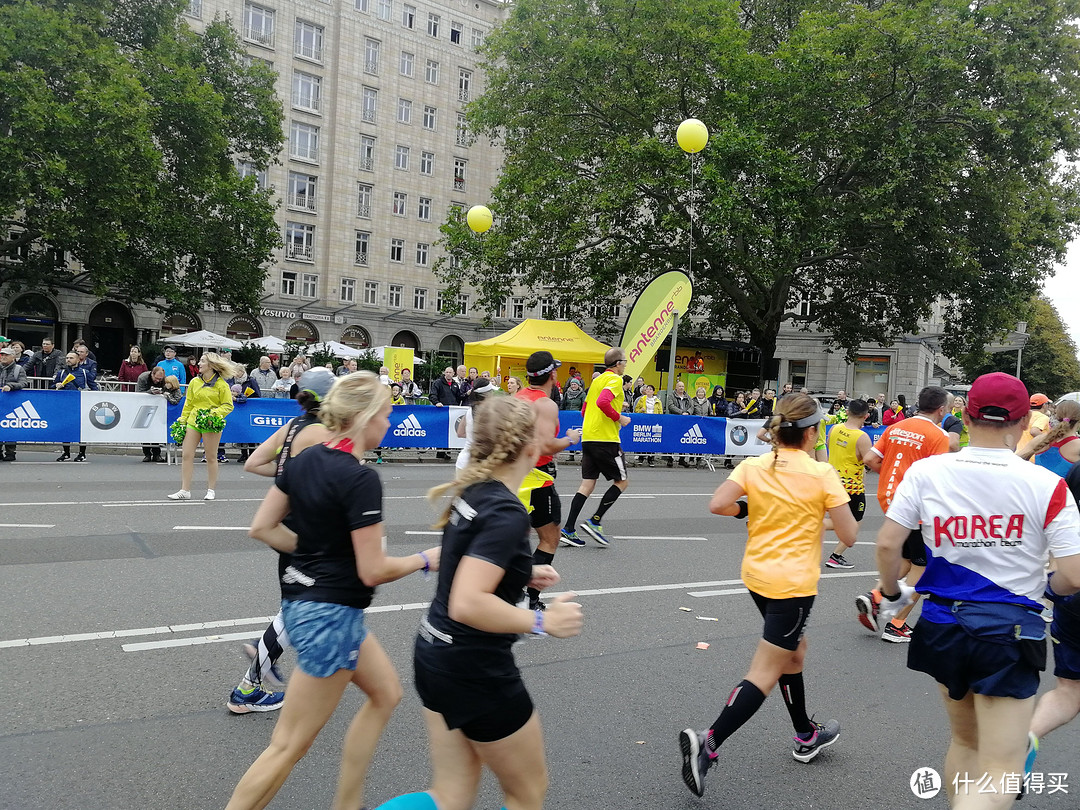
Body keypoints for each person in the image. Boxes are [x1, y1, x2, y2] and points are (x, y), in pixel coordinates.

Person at [225, 371, 441, 810]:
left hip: (309, 604)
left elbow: (262, 527)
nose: (391, 421)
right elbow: (373, 570)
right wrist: (424, 558)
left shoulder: (305, 459)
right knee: (287, 745)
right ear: (363, 418)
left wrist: (313, 549)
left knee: (386, 694)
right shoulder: (360, 478)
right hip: (332, 615)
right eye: (386, 413)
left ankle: (348, 802)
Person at [874, 372, 1080, 809]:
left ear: (965, 417)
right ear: (1026, 421)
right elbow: (1074, 576)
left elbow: (889, 543)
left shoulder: (928, 471)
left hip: (941, 623)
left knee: (965, 743)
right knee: (1003, 766)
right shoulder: (1047, 485)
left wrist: (893, 594)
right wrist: (1047, 586)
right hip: (1008, 631)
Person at [373, 397, 583, 810]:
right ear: (529, 447)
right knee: (526, 792)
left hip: (435, 654)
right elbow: (467, 603)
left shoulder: (475, 491)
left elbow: (464, 563)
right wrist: (542, 622)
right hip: (474, 668)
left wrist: (518, 572)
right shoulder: (507, 511)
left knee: (450, 797)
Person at [679, 393, 856, 798]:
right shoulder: (821, 474)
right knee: (765, 670)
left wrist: (751, 512)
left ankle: (805, 734)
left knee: (793, 652)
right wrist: (813, 520)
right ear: (811, 433)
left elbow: (719, 504)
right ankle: (707, 743)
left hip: (756, 576)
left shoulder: (755, 463)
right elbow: (848, 534)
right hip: (792, 585)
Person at [228, 368, 336, 714]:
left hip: (284, 523)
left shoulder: (292, 428)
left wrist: (289, 475)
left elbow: (254, 462)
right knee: (300, 604)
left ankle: (267, 662)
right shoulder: (322, 433)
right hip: (307, 528)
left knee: (302, 601)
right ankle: (249, 684)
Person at [856, 386, 952, 642]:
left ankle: (875, 596)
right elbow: (938, 478)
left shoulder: (896, 427)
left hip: (890, 499)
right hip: (917, 506)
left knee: (909, 561)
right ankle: (897, 624)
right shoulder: (938, 435)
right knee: (924, 567)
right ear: (941, 410)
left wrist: (888, 473)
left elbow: (869, 458)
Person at [514, 351, 582, 605]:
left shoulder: (518, 398)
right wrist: (570, 439)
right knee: (550, 538)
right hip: (537, 478)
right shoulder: (545, 404)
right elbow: (544, 445)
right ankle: (528, 599)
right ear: (552, 374)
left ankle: (511, 593)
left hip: (514, 476)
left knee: (516, 538)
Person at [561, 348, 631, 546]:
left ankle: (568, 529)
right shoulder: (615, 380)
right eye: (624, 361)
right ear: (617, 363)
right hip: (606, 439)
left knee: (587, 484)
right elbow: (603, 402)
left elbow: (585, 410)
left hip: (589, 437)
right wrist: (620, 417)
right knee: (622, 481)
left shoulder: (597, 381)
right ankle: (595, 521)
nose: (625, 364)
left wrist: (614, 409)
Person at [168, 352, 236, 501]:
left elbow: (228, 406)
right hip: (193, 421)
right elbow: (189, 403)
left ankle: (211, 490)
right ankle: (185, 490)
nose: (199, 363)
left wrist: (213, 414)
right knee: (186, 454)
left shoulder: (222, 385)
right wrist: (183, 420)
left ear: (211, 365)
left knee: (211, 456)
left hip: (210, 423)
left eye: (202, 361)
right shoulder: (194, 382)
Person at [824, 399, 872, 569]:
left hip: (832, 479)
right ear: (866, 416)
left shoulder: (835, 428)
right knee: (854, 523)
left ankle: (809, 525)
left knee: (839, 518)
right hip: (852, 485)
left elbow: (829, 446)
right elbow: (869, 461)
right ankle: (835, 556)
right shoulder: (862, 437)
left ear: (848, 412)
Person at [53, 350, 97, 461]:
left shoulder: (84, 373)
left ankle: (82, 453)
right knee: (65, 429)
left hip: (80, 404)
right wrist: (56, 385)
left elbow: (94, 387)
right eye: (67, 358)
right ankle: (66, 453)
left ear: (78, 360)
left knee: (81, 430)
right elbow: (52, 387)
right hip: (65, 404)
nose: (68, 360)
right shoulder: (61, 373)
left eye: (71, 358)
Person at [1018, 399, 1080, 475]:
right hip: (1064, 486)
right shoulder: (1077, 446)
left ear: (1056, 416)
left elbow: (1014, 460)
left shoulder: (1040, 439)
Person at [135, 367, 182, 462]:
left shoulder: (163, 380)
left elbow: (169, 391)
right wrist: (150, 392)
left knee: (156, 430)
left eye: (160, 379)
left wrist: (163, 393)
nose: (158, 381)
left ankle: (157, 454)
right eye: (156, 378)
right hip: (144, 406)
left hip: (159, 408)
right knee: (145, 430)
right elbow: (138, 393)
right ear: (152, 374)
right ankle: (147, 454)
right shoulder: (143, 378)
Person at [0, 346, 28, 461]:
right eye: (2, 355)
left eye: (6, 355)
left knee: (11, 426)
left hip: (12, 402)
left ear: (13, 357)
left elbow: (23, 383)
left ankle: (10, 452)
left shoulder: (18, 369)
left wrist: (10, 386)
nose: (3, 357)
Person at [1017, 393, 1053, 460]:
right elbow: (1034, 431)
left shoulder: (1024, 416)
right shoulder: (1042, 417)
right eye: (1047, 403)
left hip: (1019, 454)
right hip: (1033, 456)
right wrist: (1049, 440)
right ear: (1044, 405)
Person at [666, 380, 693, 468]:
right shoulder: (671, 396)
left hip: (684, 421)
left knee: (683, 439)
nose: (681, 388)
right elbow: (671, 406)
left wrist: (688, 413)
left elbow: (691, 406)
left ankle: (682, 459)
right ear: (676, 387)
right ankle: (670, 459)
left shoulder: (688, 396)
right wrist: (681, 412)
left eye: (682, 386)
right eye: (680, 386)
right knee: (672, 439)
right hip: (674, 420)